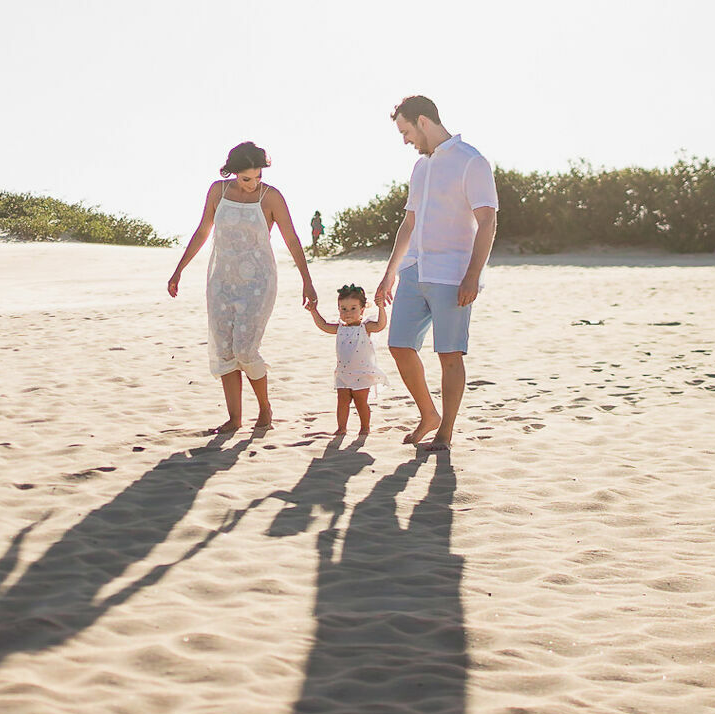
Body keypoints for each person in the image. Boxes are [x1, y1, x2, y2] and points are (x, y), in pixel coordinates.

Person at [168, 141, 320, 432]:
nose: (253, 184)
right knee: (225, 350)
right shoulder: (218, 191)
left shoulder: (271, 197)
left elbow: (291, 238)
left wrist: (307, 280)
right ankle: (234, 418)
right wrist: (179, 270)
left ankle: (264, 408)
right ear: (234, 172)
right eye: (247, 178)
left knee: (246, 349)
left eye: (258, 176)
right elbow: (203, 230)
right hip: (221, 281)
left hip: (258, 282)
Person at [374, 96, 498, 452]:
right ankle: (429, 415)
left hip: (452, 275)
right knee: (399, 345)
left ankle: (445, 433)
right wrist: (390, 272)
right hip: (414, 270)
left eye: (407, 131)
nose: (405, 140)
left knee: (449, 354)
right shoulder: (421, 168)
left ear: (423, 121)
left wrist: (473, 275)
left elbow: (487, 220)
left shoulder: (471, 161)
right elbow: (409, 223)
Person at [304, 283, 390, 435]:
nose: (348, 313)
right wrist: (314, 311)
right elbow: (323, 325)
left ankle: (365, 427)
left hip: (362, 373)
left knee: (360, 402)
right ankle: (341, 428)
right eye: (343, 309)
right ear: (338, 309)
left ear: (362, 309)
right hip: (343, 373)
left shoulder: (365, 327)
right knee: (342, 402)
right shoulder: (340, 328)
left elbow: (380, 325)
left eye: (353, 308)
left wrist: (381, 308)